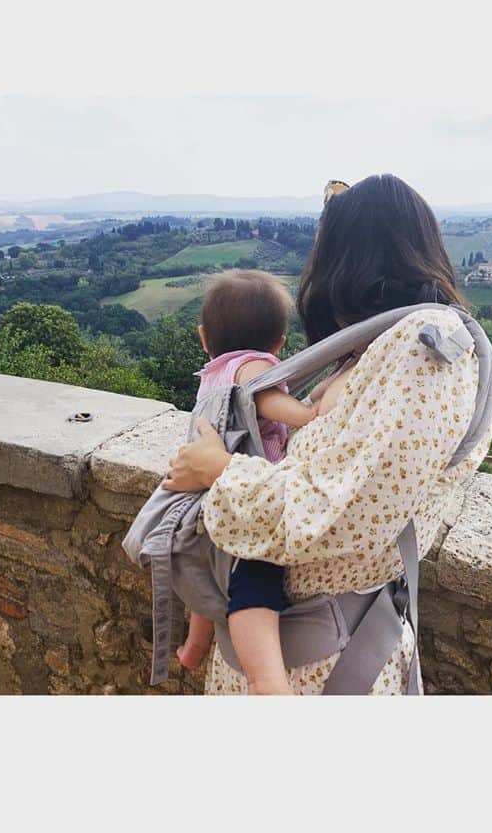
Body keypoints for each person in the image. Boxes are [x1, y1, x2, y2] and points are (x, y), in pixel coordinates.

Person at [162, 174, 492, 695]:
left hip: (324, 667)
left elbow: (342, 517)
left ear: (347, 257)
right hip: (296, 650)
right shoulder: (372, 351)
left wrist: (218, 470)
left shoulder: (424, 351)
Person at [173, 269, 320, 695]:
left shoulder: (212, 373)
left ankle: (194, 647)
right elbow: (266, 397)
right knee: (255, 583)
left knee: (210, 584)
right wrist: (308, 415)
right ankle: (267, 679)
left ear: (204, 338)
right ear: (279, 343)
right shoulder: (252, 366)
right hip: (244, 496)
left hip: (207, 497)